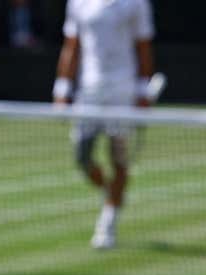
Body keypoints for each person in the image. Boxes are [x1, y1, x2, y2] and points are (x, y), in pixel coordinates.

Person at [53, 0, 155, 250]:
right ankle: (112, 194)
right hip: (89, 91)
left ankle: (107, 222)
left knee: (118, 158)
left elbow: (143, 46)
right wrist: (62, 86)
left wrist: (143, 90)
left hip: (122, 89)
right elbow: (72, 45)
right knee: (82, 157)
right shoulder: (77, 3)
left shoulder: (136, 3)